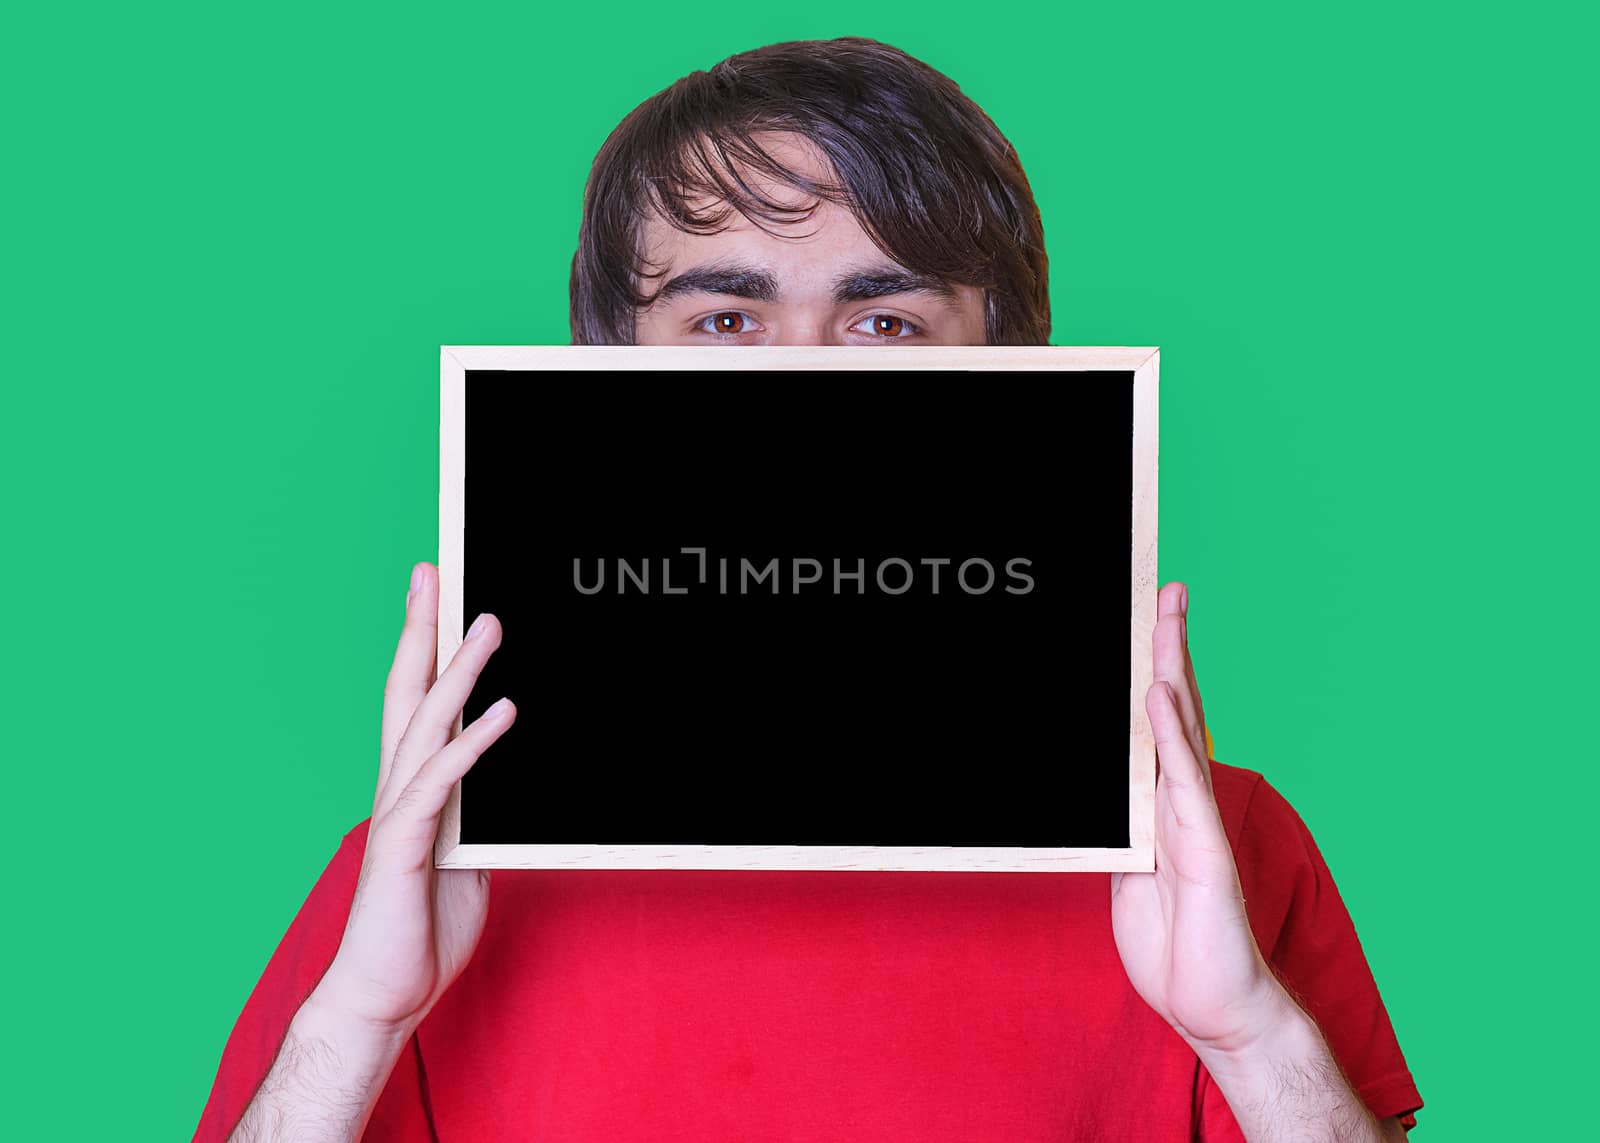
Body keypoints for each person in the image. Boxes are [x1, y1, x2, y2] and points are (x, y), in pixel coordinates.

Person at [193, 37, 1422, 1142]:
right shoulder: (424, 867)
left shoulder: (1215, 849)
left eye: (883, 324)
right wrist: (356, 1020)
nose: (800, 389)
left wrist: (1251, 1041)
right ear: (603, 380)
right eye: (724, 319)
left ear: (1014, 375)